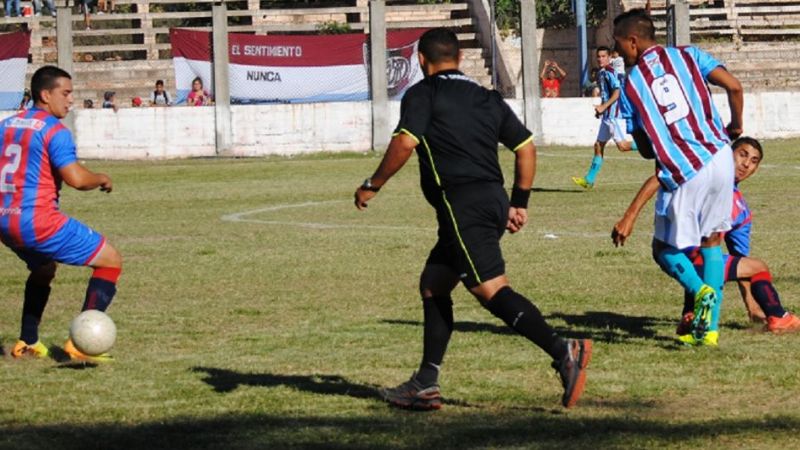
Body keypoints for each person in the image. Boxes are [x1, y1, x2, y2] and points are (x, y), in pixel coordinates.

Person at [353, 28, 592, 410]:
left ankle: (564, 349)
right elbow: (525, 147)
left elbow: (405, 142)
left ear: (420, 61)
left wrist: (373, 183)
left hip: (461, 206)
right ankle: (425, 384)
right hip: (491, 202)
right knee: (434, 284)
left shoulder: (423, 94)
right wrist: (519, 202)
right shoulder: (487, 97)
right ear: (461, 58)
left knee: (490, 290)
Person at [611, 9, 744, 346]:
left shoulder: (631, 86)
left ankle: (699, 291)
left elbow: (644, 148)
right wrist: (736, 126)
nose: (618, 53)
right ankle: (708, 331)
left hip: (685, 168)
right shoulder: (689, 54)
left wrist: (654, 138)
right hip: (720, 157)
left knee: (662, 249)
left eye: (618, 46)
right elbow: (735, 87)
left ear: (633, 41)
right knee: (713, 240)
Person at [612, 137, 800, 336]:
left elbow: (741, 262)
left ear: (756, 169)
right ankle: (779, 316)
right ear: (728, 155)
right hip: (675, 253)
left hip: (683, 259)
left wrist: (751, 307)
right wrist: (629, 217)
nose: (746, 164)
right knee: (754, 266)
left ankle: (691, 315)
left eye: (753, 161)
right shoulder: (702, 173)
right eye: (742, 155)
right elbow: (658, 178)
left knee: (710, 259)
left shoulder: (741, 209)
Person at [0, 65, 123, 362]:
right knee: (110, 261)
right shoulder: (55, 131)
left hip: (4, 220)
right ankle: (81, 344)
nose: (70, 100)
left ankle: (28, 342)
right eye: (65, 93)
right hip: (37, 221)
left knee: (44, 269)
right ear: (45, 95)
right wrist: (102, 177)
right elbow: (77, 179)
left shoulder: (6, 125)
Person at [571, 46, 632, 190]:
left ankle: (652, 147)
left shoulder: (610, 72)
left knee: (622, 146)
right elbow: (606, 93)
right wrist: (601, 110)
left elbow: (617, 92)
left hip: (613, 116)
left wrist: (604, 107)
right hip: (606, 116)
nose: (600, 59)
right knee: (598, 145)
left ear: (610, 58)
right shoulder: (601, 73)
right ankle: (589, 180)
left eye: (603, 56)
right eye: (598, 56)